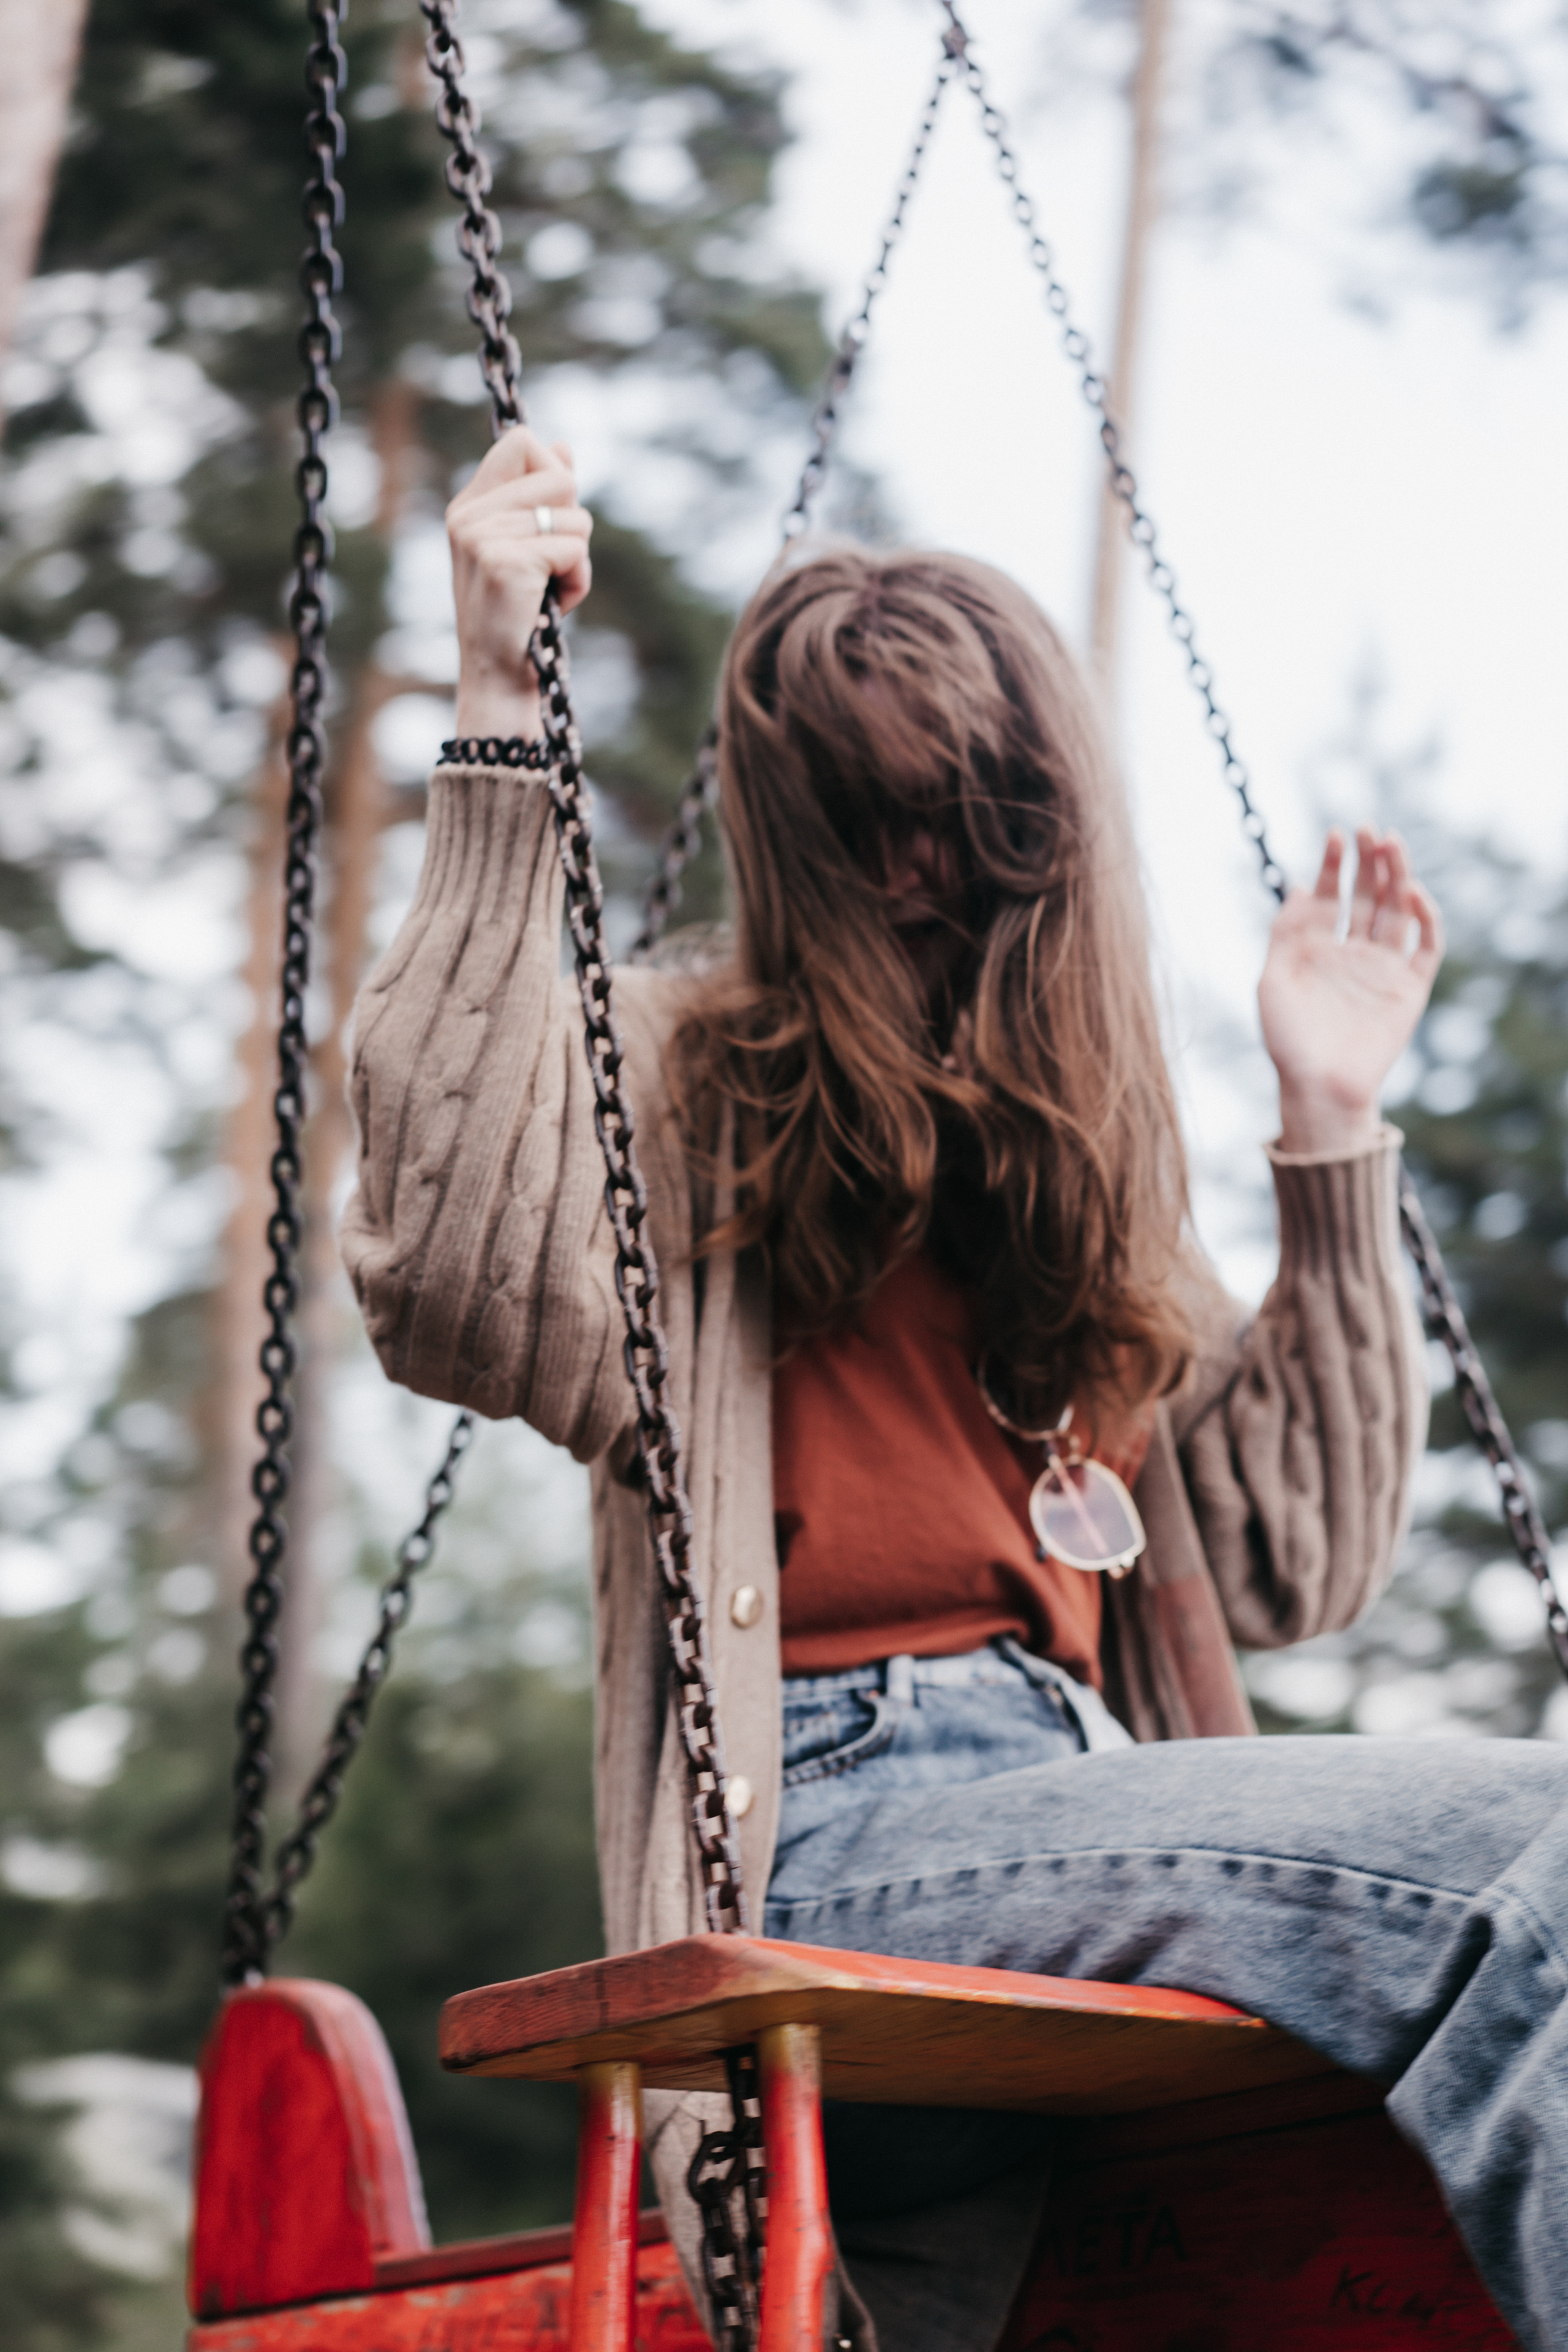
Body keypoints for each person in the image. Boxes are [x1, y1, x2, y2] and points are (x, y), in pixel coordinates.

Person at [342, 426, 1568, 2352]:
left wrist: (1332, 1132)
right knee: (1546, 1857)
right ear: (798, 836)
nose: (919, 872)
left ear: (1043, 832)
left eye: (972, 815)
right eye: (868, 820)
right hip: (831, 1809)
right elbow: (458, 1286)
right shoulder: (681, 1074)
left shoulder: (1078, 1164)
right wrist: (504, 719)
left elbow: (1291, 1561)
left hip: (1097, 1807)